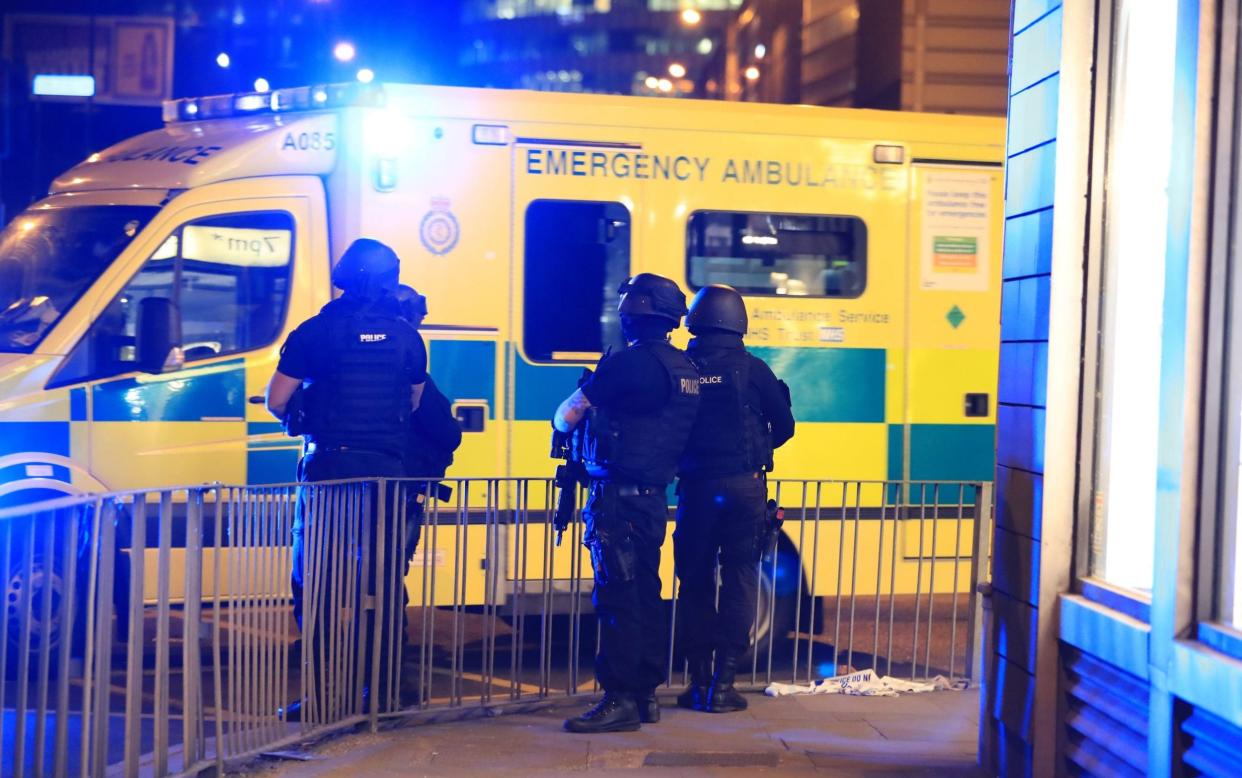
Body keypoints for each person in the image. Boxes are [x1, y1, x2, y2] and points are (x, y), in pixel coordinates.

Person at [265, 238, 426, 719]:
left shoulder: (314, 332)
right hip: (388, 475)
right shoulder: (407, 337)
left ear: (343, 276)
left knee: (315, 584)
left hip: (330, 471)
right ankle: (382, 692)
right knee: (382, 583)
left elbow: (277, 399)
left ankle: (321, 694)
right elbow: (413, 402)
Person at [553, 273, 701, 733]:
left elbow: (565, 415)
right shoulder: (685, 370)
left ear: (632, 313)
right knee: (645, 595)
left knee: (616, 597)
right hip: (654, 499)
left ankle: (617, 699)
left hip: (617, 501)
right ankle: (644, 696)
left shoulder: (627, 365)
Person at [673, 284, 795, 714]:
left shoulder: (681, 366)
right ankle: (723, 686)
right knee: (741, 577)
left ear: (696, 322)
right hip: (744, 488)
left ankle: (698, 682)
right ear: (738, 323)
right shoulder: (753, 370)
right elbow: (785, 426)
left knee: (695, 582)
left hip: (695, 488)